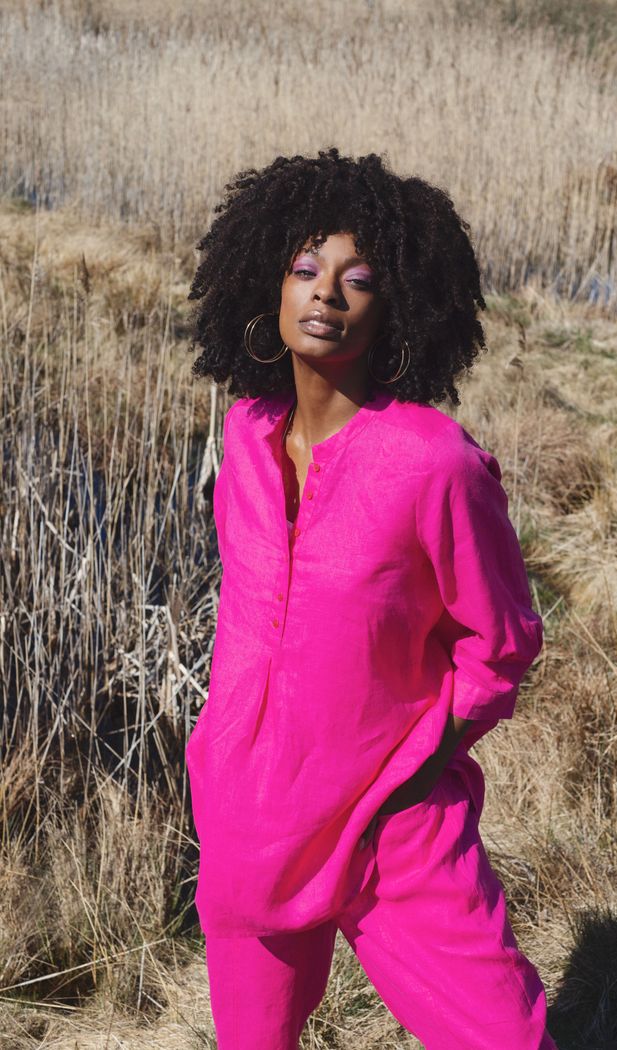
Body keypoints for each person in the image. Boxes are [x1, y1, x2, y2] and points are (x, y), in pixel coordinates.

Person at [185, 147, 557, 1049]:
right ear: (268, 288)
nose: (326, 293)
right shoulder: (244, 437)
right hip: (253, 815)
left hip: (394, 825)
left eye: (358, 279)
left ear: (394, 307)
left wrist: (423, 763)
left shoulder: (435, 463)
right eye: (305, 269)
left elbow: (501, 641)